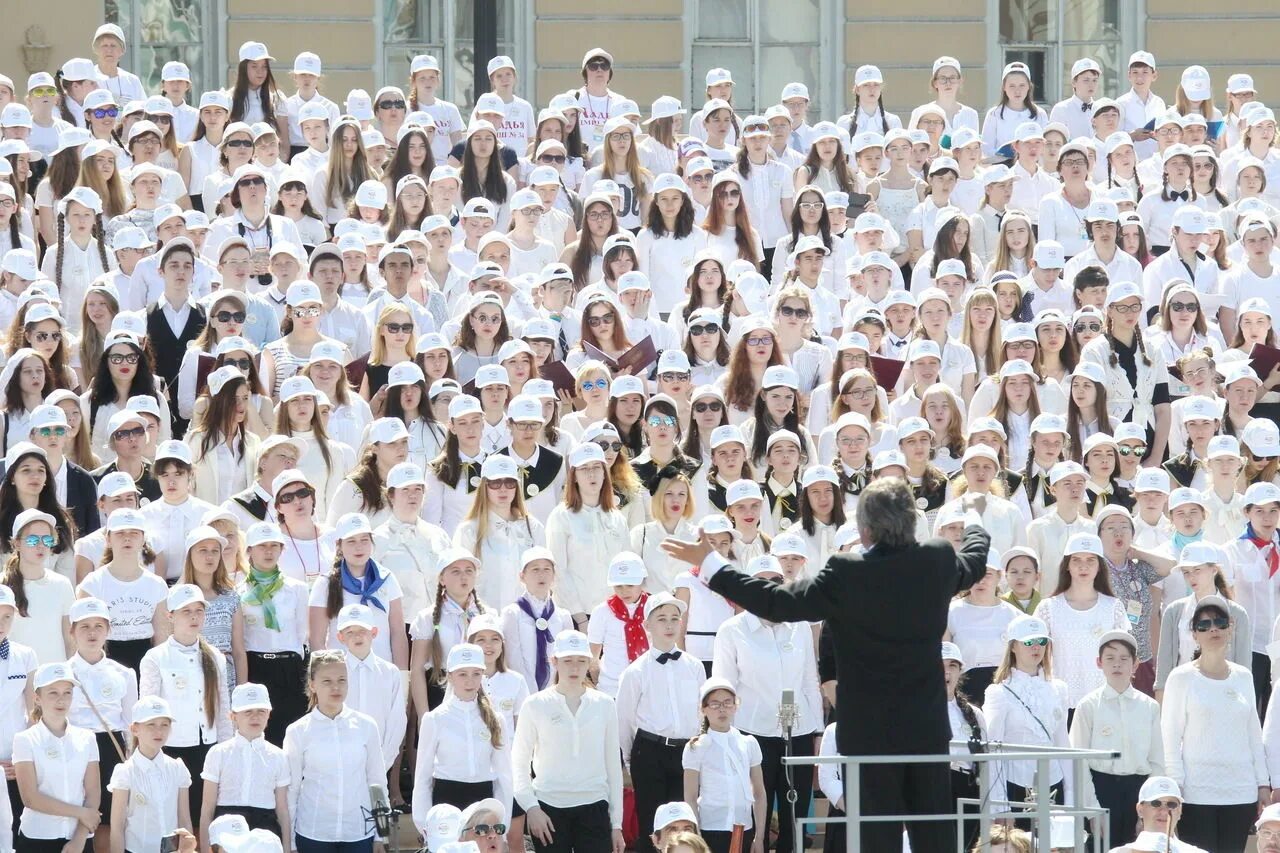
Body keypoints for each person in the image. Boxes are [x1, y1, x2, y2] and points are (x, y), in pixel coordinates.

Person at [661, 477, 989, 851]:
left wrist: (710, 563)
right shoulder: (938, 559)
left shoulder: (847, 572)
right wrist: (974, 519)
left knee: (876, 841)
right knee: (935, 840)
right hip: (926, 731)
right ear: (913, 522)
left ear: (864, 530)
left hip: (869, 736)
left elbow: (775, 602)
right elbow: (975, 560)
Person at [512, 630, 625, 853]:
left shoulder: (604, 704)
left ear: (590, 662)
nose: (574, 668)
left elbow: (613, 765)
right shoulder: (534, 704)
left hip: (595, 806)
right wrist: (531, 808)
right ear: (554, 661)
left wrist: (617, 824)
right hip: (548, 808)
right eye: (567, 661)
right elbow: (518, 762)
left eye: (581, 661)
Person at [283, 649, 386, 853]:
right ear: (312, 685)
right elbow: (291, 790)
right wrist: (291, 844)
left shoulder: (367, 726)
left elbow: (377, 783)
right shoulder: (297, 731)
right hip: (313, 834)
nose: (336, 687)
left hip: (359, 833)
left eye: (342, 680)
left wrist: (381, 835)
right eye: (327, 681)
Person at [1068, 630, 1164, 847]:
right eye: (1110, 659)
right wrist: (1093, 811)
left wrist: (1149, 810)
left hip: (1138, 792)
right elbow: (1078, 761)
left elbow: (1157, 762)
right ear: (1099, 662)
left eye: (1124, 659)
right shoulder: (1088, 706)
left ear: (1136, 664)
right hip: (1102, 790)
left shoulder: (1149, 707)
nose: (1117, 665)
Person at [13, 662, 100, 853]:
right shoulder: (24, 740)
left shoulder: (87, 738)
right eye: (53, 692)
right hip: (37, 838)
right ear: (37, 698)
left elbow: (93, 793)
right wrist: (81, 813)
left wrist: (79, 839)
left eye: (67, 692)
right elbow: (30, 798)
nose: (61, 700)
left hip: (79, 839)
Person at [197, 683, 291, 839]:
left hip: (265, 830)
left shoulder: (278, 756)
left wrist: (286, 848)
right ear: (233, 717)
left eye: (261, 711)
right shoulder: (218, 753)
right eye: (248, 712)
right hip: (226, 829)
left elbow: (282, 811)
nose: (255, 717)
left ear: (269, 714)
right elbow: (207, 809)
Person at [107, 696, 193, 853]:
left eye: (164, 725)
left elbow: (184, 819)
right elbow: (117, 827)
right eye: (151, 725)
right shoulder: (125, 772)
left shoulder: (177, 768)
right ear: (135, 729)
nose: (158, 731)